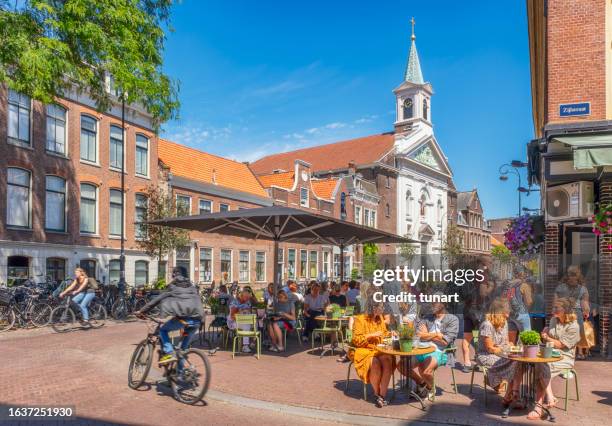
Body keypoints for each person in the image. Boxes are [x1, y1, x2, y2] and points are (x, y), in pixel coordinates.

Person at [136, 266, 204, 365]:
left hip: (184, 319)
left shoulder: (173, 286)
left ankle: (169, 352)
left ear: (174, 275)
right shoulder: (193, 287)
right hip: (197, 320)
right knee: (182, 351)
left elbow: (157, 299)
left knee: (163, 329)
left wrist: (142, 311)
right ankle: (180, 375)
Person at [528, 297, 580, 420]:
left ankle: (538, 407)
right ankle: (550, 397)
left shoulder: (574, 326)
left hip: (564, 357)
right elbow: (547, 338)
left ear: (566, 310)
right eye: (553, 307)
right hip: (549, 354)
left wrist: (547, 338)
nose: (553, 309)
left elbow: (561, 345)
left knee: (541, 366)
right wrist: (544, 334)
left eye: (557, 308)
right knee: (540, 364)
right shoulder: (553, 320)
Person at [400, 299, 458, 400]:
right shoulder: (427, 318)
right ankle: (422, 383)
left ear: (443, 304)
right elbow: (419, 335)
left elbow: (445, 342)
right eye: (431, 303)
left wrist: (426, 335)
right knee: (401, 365)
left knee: (425, 371)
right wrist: (436, 335)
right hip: (422, 348)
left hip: (440, 351)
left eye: (435, 303)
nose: (432, 305)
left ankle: (431, 388)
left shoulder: (453, 319)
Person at [350, 287, 395, 408]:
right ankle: (376, 393)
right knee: (375, 362)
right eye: (381, 307)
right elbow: (356, 340)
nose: (383, 309)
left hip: (379, 349)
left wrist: (391, 335)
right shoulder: (360, 319)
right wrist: (371, 335)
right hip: (364, 349)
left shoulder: (380, 319)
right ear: (373, 308)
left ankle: (382, 396)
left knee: (388, 360)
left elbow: (384, 334)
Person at [476, 298, 522, 407]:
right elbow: (490, 349)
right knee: (514, 363)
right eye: (506, 311)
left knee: (517, 362)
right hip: (485, 356)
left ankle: (509, 395)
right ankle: (512, 395)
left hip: (500, 354)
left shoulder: (504, 323)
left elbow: (505, 343)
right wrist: (504, 348)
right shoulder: (487, 324)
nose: (508, 314)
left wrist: (507, 346)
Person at [461, 256, 495, 373]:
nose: (491, 263)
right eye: (490, 261)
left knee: (467, 337)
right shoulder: (482, 274)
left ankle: (466, 363)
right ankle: (480, 362)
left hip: (467, 309)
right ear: (483, 263)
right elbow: (482, 293)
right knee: (482, 336)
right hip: (479, 310)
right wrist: (490, 287)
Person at [554, 265, 590, 359]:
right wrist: (586, 312)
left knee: (563, 331)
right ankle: (580, 352)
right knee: (579, 332)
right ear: (579, 275)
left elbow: (555, 301)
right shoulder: (582, 288)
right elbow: (585, 304)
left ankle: (564, 350)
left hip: (563, 312)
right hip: (576, 312)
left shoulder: (560, 287)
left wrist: (555, 311)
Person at [495, 265, 533, 332]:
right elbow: (529, 302)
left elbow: (503, 299)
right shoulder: (524, 285)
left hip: (509, 314)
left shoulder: (507, 284)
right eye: (525, 273)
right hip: (522, 314)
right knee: (526, 337)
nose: (526, 275)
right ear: (521, 273)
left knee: (511, 334)